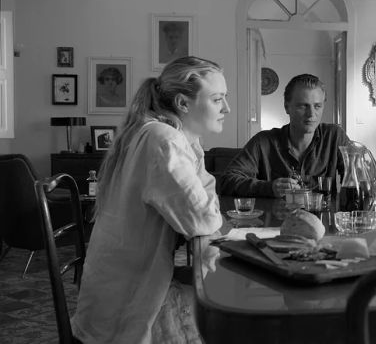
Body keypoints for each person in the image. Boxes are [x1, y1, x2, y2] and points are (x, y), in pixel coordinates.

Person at [71, 56, 229, 343]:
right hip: (125, 310)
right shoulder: (163, 140)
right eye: (218, 99)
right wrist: (195, 149)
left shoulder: (156, 132)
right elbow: (203, 219)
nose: (226, 108)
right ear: (183, 104)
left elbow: (200, 211)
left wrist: (194, 145)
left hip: (113, 292)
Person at [219, 73, 350, 197]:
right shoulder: (263, 142)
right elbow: (227, 181)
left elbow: (358, 176)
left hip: (321, 219)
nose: (311, 114)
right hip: (278, 219)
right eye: (303, 106)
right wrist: (269, 188)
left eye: (317, 106)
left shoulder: (335, 136)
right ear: (287, 107)